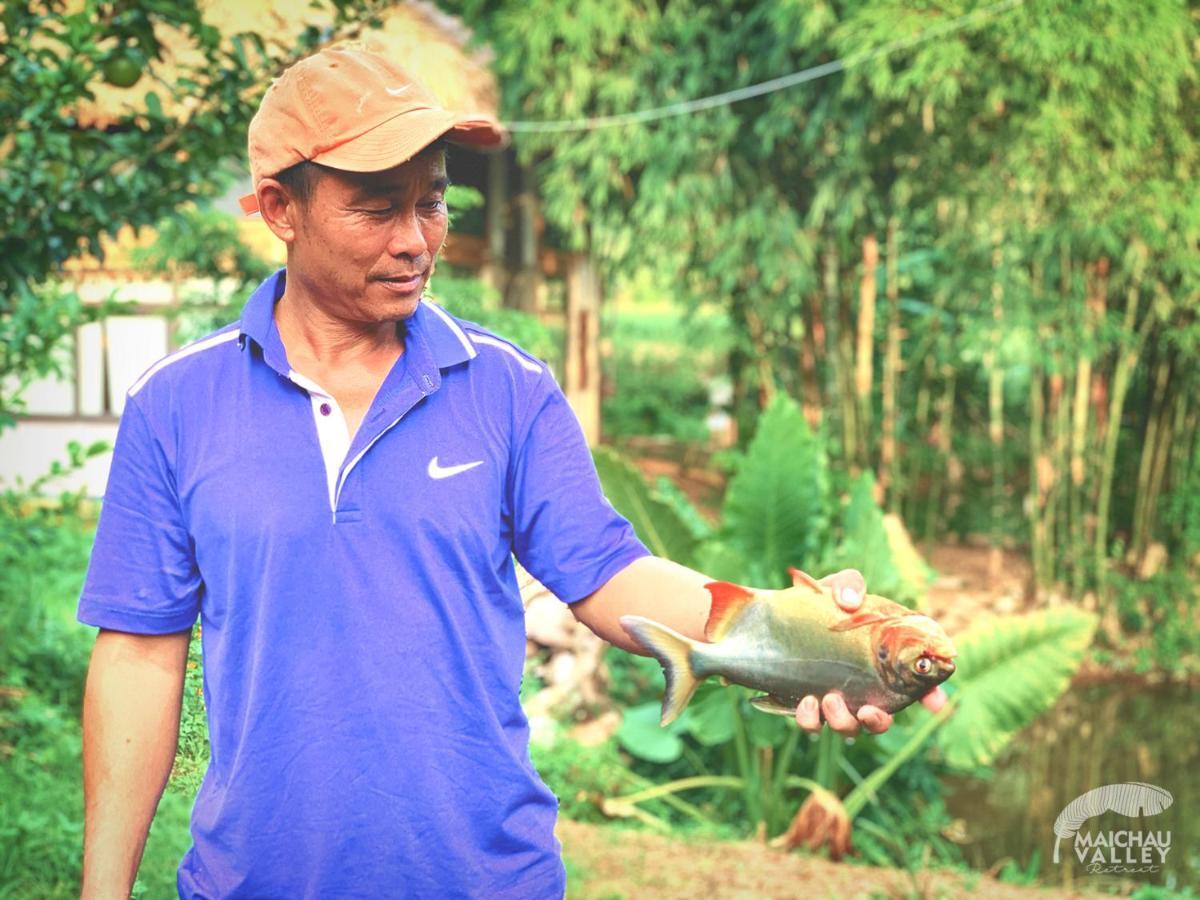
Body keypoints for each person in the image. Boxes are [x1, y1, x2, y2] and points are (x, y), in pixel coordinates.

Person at [77, 46, 942, 899]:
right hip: (253, 883)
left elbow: (608, 575)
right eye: (378, 208)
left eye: (433, 203)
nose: (416, 241)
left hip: (484, 879)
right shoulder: (178, 404)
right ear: (280, 207)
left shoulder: (505, 388)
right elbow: (138, 656)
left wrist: (805, 638)